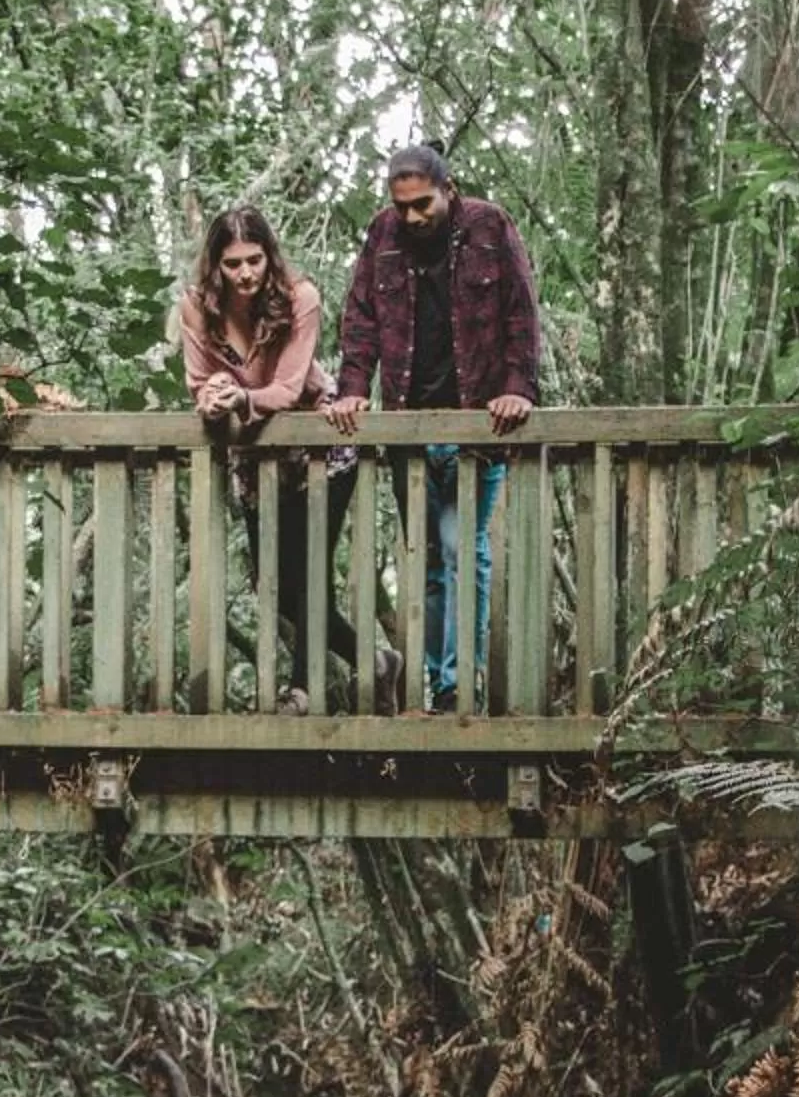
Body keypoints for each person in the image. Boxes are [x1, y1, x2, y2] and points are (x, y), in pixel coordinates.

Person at [321, 144, 540, 711]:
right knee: (430, 560)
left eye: (423, 204)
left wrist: (519, 387)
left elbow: (521, 309)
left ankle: (460, 683)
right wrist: (351, 390)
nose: (413, 217)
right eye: (403, 206)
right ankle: (441, 683)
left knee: (461, 546)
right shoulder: (383, 236)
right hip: (407, 425)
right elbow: (361, 317)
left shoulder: (489, 226)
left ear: (449, 188)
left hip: (477, 418)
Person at [178, 205, 365, 712]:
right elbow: (199, 380)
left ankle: (302, 691)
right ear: (215, 265)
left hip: (317, 441)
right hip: (256, 451)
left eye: (254, 260)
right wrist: (213, 395)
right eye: (233, 263)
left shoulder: (300, 298)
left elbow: (286, 387)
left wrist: (241, 398)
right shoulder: (196, 308)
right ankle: (376, 663)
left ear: (269, 256)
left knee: (309, 574)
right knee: (275, 586)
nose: (245, 274)